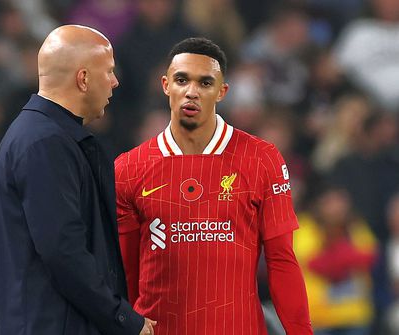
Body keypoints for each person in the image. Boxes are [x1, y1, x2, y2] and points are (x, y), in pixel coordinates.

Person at [115, 37, 313, 334]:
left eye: (205, 83)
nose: (191, 92)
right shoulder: (129, 168)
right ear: (166, 85)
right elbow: (126, 271)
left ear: (222, 92)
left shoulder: (262, 158)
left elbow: (282, 260)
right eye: (182, 80)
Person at [0, 25, 156, 335]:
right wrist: (122, 318)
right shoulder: (45, 143)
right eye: (109, 71)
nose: (116, 82)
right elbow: (63, 251)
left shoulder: (41, 135)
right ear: (84, 78)